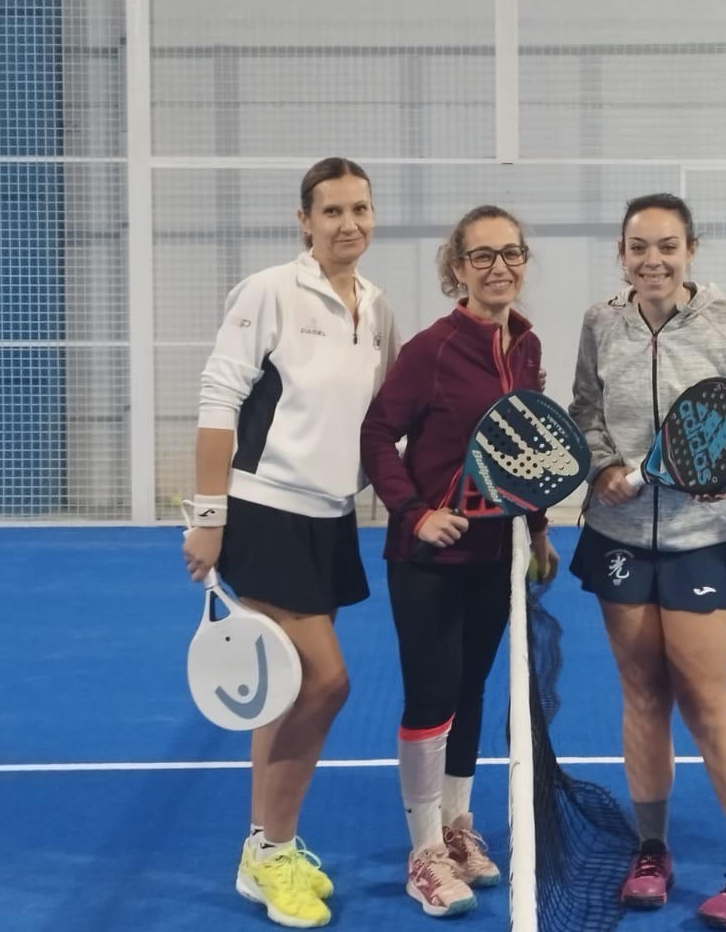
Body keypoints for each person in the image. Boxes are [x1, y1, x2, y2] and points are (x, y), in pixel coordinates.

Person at [180, 156, 400, 929]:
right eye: (332, 211)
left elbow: (384, 418)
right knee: (327, 684)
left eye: (360, 209)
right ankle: (270, 851)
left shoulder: (377, 306)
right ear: (304, 221)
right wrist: (208, 517)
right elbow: (219, 399)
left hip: (330, 517)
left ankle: (265, 846)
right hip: (265, 510)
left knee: (280, 690)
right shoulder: (269, 291)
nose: (348, 223)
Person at [567, 193, 726, 930]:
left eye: (666, 246)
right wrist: (603, 466)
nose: (652, 260)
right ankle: (651, 850)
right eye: (638, 247)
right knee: (640, 694)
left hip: (700, 539)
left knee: (705, 702)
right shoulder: (601, 322)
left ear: (691, 249)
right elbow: (586, 409)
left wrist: (719, 467)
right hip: (618, 535)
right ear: (622, 254)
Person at [359, 204, 560, 919]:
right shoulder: (433, 349)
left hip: (496, 553)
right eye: (482, 256)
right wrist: (415, 513)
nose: (499, 267)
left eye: (511, 253)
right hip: (428, 557)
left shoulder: (526, 346)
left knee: (470, 689)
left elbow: (526, 449)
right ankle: (423, 852)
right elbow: (377, 434)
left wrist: (538, 531)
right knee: (431, 695)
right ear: (457, 267)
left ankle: (456, 825)